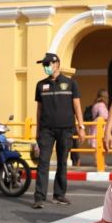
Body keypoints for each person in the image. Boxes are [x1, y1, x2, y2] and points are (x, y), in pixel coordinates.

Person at [33, 53, 86, 209]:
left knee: (62, 162)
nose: (46, 67)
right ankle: (39, 197)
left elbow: (77, 106)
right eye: (44, 65)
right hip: (46, 130)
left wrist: (81, 127)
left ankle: (59, 195)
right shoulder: (40, 85)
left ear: (57, 64)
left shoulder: (71, 84)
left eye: (48, 64)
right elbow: (39, 110)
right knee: (43, 162)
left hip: (66, 129)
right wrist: (38, 130)